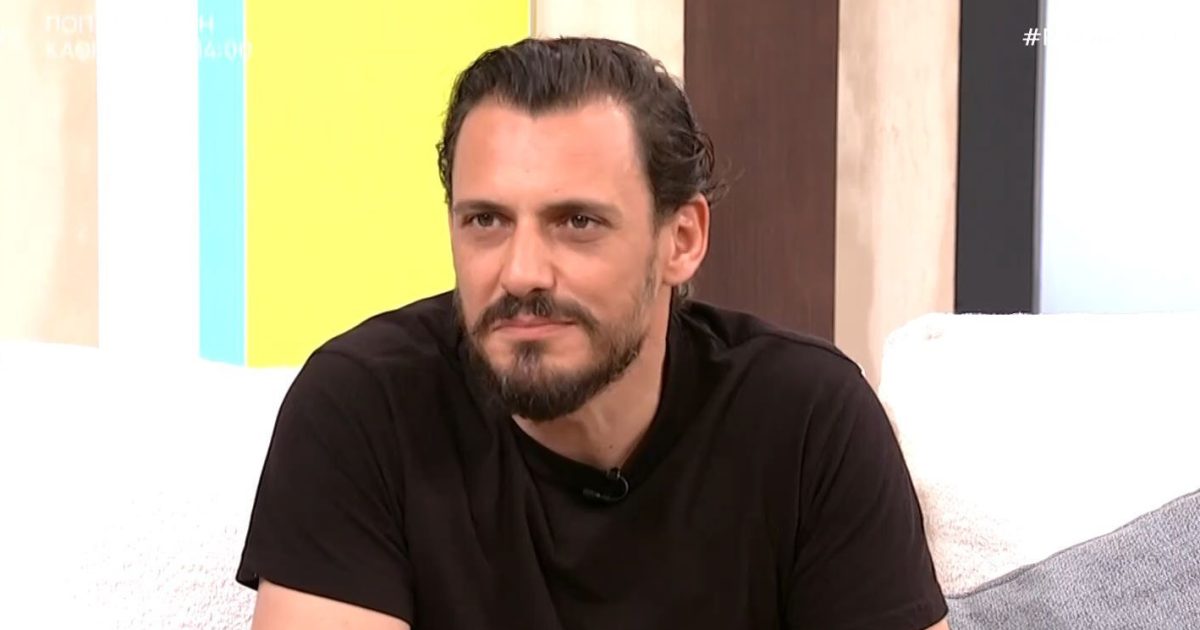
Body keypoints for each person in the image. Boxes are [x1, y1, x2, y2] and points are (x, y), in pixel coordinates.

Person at [235, 36, 949, 630]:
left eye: (577, 222)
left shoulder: (807, 421)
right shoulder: (363, 407)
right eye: (486, 220)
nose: (521, 272)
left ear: (682, 239)